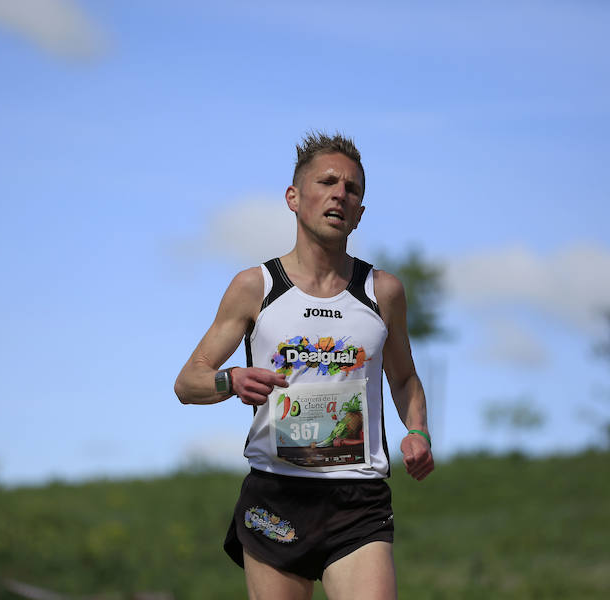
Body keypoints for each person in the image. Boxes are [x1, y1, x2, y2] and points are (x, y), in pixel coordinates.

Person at [174, 131, 434, 600]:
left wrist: (417, 430)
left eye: (352, 189)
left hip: (358, 500)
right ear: (293, 197)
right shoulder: (255, 286)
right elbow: (187, 382)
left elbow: (404, 377)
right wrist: (230, 379)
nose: (340, 194)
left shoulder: (383, 292)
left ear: (359, 212)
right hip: (278, 495)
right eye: (328, 181)